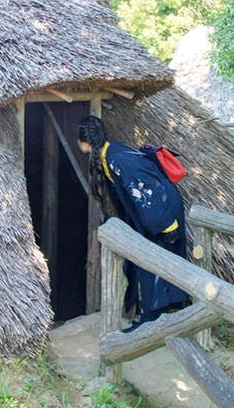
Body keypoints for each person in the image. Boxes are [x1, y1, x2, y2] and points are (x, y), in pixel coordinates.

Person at [77, 115, 188, 328]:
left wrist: (166, 225)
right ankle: (151, 315)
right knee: (148, 260)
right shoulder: (109, 154)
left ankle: (152, 318)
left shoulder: (118, 157)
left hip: (162, 209)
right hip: (154, 210)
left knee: (153, 258)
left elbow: (148, 190)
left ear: (85, 143)